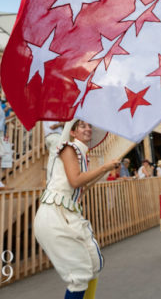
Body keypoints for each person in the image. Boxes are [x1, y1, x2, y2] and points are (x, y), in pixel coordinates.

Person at [34, 119, 119, 299]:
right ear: (72, 132)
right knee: (79, 276)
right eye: (82, 126)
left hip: (68, 213)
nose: (88, 128)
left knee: (94, 265)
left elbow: (80, 187)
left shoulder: (81, 153)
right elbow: (75, 180)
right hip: (54, 216)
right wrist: (105, 167)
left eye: (90, 125)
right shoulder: (68, 148)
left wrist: (105, 170)